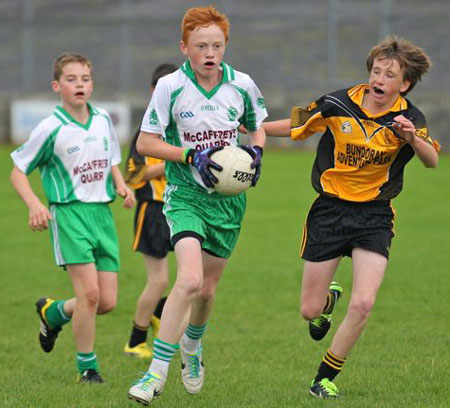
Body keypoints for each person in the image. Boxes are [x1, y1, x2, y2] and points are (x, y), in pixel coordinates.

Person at [260, 35, 439, 398]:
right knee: (309, 310)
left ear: (404, 84)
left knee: (365, 302)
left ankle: (324, 377)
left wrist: (411, 138)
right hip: (329, 211)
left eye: (390, 75)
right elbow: (299, 120)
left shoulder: (409, 119)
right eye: (377, 71)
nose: (381, 79)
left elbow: (432, 159)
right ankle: (328, 301)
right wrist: (255, 127)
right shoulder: (337, 103)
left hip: (374, 215)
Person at [127, 5, 267, 405]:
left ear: (225, 47)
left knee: (206, 291)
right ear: (184, 47)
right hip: (185, 196)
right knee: (187, 280)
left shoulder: (241, 85)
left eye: (217, 45)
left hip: (228, 203)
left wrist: (255, 155)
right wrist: (191, 157)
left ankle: (193, 346)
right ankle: (155, 372)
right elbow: (145, 143)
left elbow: (256, 128)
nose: (210, 53)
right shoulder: (170, 86)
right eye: (201, 45)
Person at [10, 53, 135, 384]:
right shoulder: (50, 128)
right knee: (89, 296)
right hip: (68, 215)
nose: (79, 84)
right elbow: (18, 171)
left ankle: (52, 313)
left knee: (105, 302)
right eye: (71, 79)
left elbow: (111, 158)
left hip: (102, 216)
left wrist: (122, 185)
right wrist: (34, 203)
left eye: (84, 79)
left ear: (92, 85)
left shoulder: (103, 118)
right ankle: (87, 369)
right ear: (57, 86)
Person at [123, 63, 178, 359]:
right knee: (157, 280)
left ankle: (159, 314)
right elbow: (132, 176)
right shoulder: (147, 130)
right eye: (161, 88)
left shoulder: (183, 125)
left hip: (180, 209)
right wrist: (171, 162)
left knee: (188, 279)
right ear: (153, 91)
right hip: (153, 210)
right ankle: (135, 341)